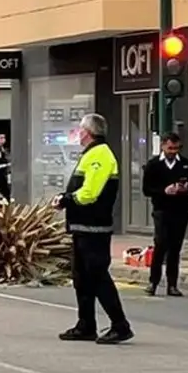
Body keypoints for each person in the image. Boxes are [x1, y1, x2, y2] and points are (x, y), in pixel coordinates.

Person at [54, 113, 132, 345]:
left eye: (80, 130)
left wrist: (65, 199)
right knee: (81, 278)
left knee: (97, 276)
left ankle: (120, 325)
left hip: (94, 228)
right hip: (82, 227)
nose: (78, 133)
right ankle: (86, 324)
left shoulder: (101, 155)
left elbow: (90, 193)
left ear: (87, 132)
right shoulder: (91, 154)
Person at [140, 133, 188, 297]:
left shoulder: (186, 164)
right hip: (161, 209)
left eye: (176, 148)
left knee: (175, 248)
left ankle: (172, 285)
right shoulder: (154, 165)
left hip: (180, 210)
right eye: (170, 148)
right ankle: (153, 282)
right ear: (163, 146)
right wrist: (164, 191)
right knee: (160, 244)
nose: (173, 151)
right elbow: (146, 190)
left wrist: (185, 189)